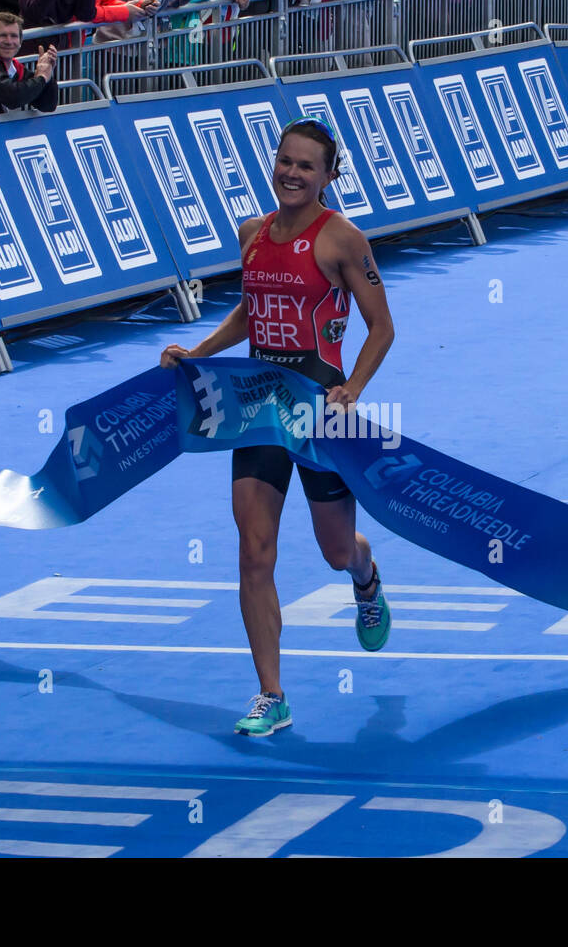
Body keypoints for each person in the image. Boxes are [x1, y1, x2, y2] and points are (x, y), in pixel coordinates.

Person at [160, 116, 396, 738]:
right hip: (259, 406)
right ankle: (272, 694)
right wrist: (202, 352)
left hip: (318, 409)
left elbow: (382, 328)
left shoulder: (344, 239)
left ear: (328, 176)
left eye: (306, 166)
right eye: (284, 161)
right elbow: (253, 307)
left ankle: (365, 575)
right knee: (253, 550)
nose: (291, 173)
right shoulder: (251, 233)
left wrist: (353, 389)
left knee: (335, 549)